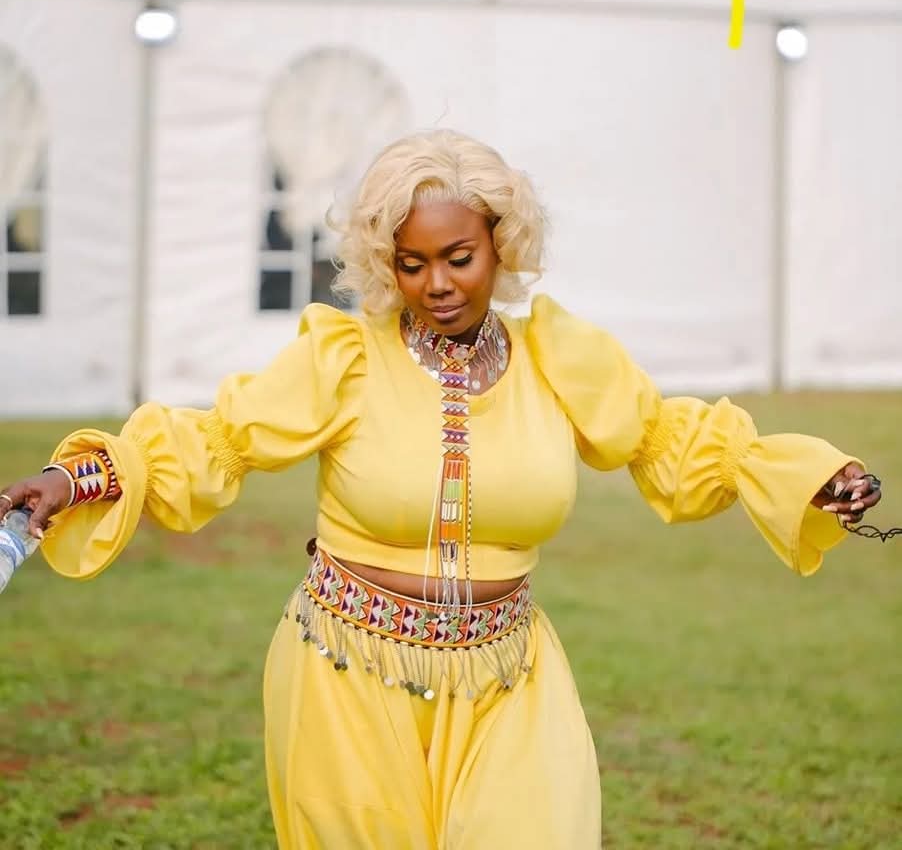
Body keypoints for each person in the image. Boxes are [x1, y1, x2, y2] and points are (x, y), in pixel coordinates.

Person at [0, 129, 883, 849]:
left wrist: (805, 477)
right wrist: (80, 476)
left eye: (459, 257)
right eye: (412, 263)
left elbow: (665, 438)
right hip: (346, 677)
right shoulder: (345, 357)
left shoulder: (558, 357)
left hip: (509, 677)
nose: (438, 285)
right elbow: (219, 440)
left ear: (502, 244)